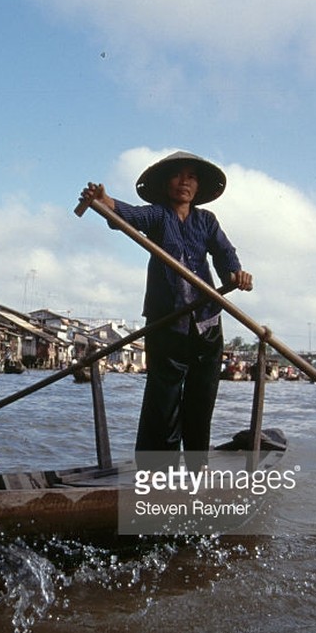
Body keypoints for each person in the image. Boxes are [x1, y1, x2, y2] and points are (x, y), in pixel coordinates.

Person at [79, 150, 252, 456]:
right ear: (165, 183)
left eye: (192, 176)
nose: (184, 182)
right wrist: (105, 202)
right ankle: (159, 470)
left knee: (202, 398)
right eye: (177, 175)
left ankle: (198, 466)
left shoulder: (206, 221)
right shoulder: (158, 215)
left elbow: (225, 253)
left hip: (206, 321)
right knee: (164, 399)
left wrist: (235, 274)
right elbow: (129, 216)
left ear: (198, 187)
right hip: (167, 321)